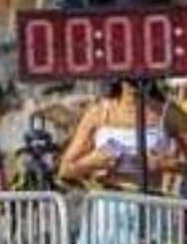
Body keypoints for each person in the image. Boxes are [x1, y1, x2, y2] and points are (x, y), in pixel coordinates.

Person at [57, 79, 187, 191]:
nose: (136, 82)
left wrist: (165, 164)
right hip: (108, 207)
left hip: (152, 206)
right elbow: (64, 170)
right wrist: (92, 162)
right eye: (130, 78)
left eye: (143, 76)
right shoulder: (98, 113)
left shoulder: (169, 113)